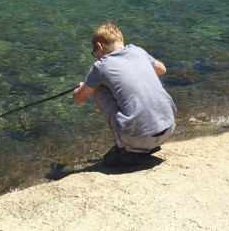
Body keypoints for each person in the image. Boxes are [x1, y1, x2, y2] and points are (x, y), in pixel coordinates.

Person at [72, 22, 176, 167]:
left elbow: (78, 98)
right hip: (168, 129)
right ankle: (143, 144)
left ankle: (123, 147)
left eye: (95, 52)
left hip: (139, 138)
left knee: (98, 88)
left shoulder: (101, 66)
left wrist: (85, 86)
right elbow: (162, 69)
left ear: (100, 47)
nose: (96, 56)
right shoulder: (137, 51)